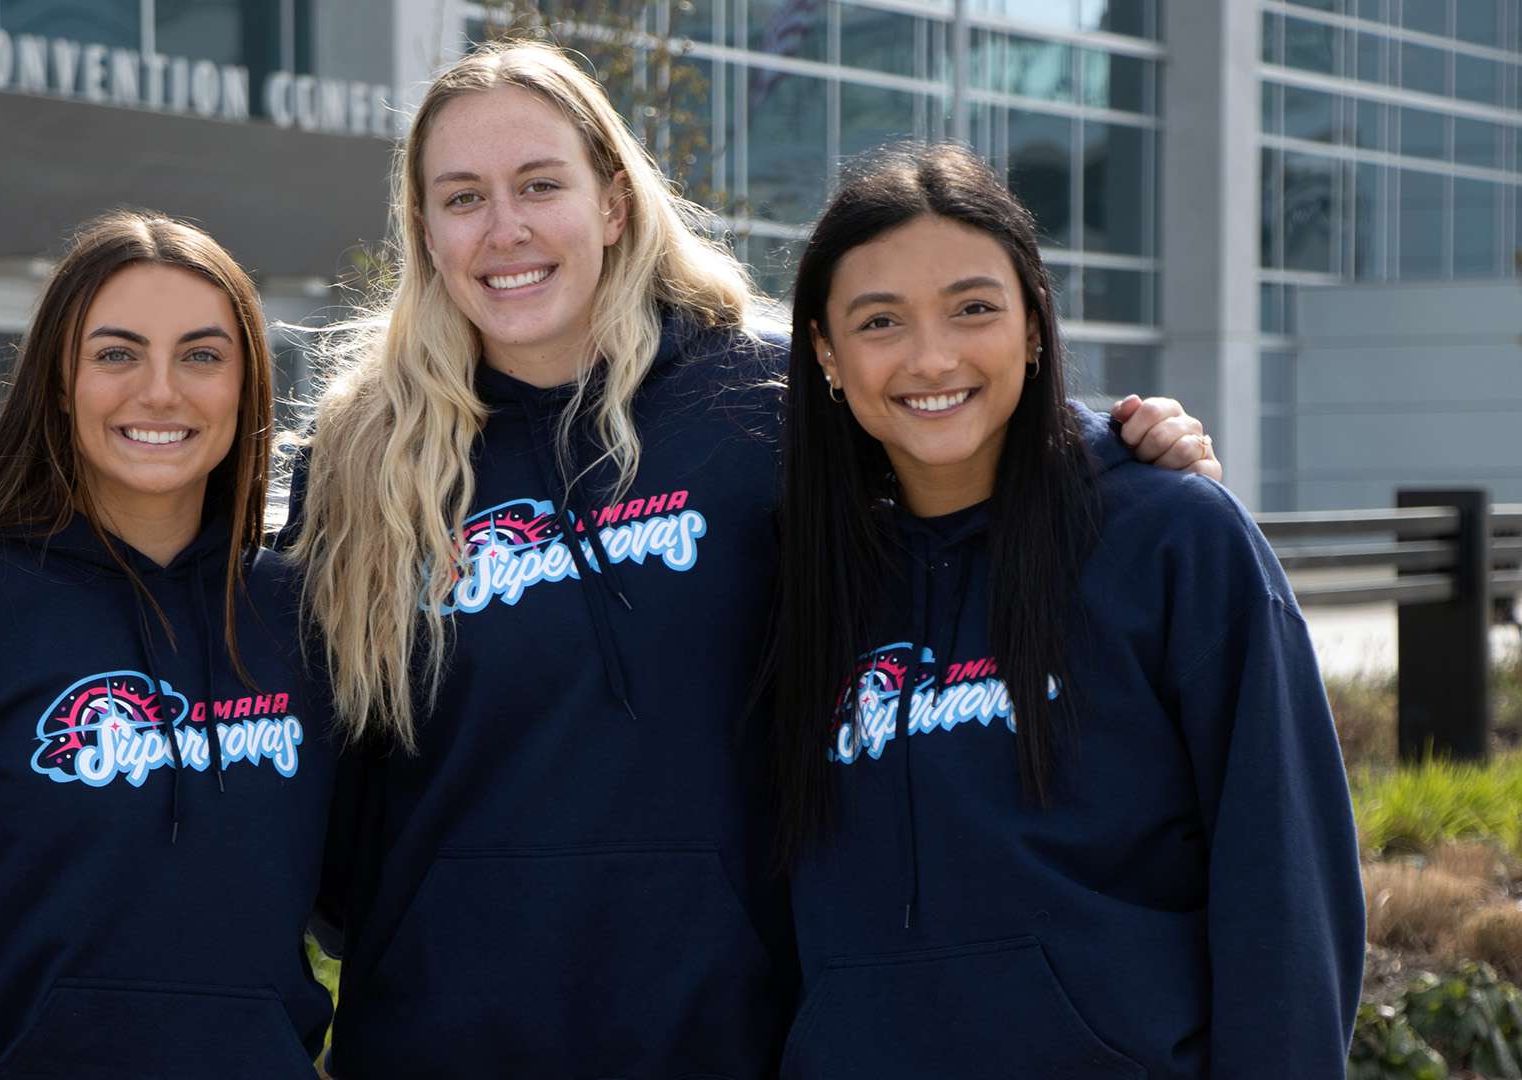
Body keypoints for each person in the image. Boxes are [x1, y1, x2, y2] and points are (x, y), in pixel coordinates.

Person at [289, 41, 1222, 1078]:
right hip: (439, 1039)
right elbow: (319, 773)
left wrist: (1120, 441)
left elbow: (946, 416)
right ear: (423, 228)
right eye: (462, 197)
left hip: (730, 1033)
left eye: (540, 185)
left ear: (612, 201)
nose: (505, 228)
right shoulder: (362, 456)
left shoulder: (759, 406)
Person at [768, 144, 1364, 1079]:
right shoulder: (791, 572)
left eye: (974, 308)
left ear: (1036, 326)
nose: (932, 357)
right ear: (826, 355)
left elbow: (1283, 884)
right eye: (880, 321)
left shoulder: (1173, 540)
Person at [0, 211, 332, 1078]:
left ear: (248, 388)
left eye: (201, 355)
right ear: (58, 382)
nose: (160, 391)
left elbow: (374, 892)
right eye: (117, 354)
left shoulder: (299, 617)